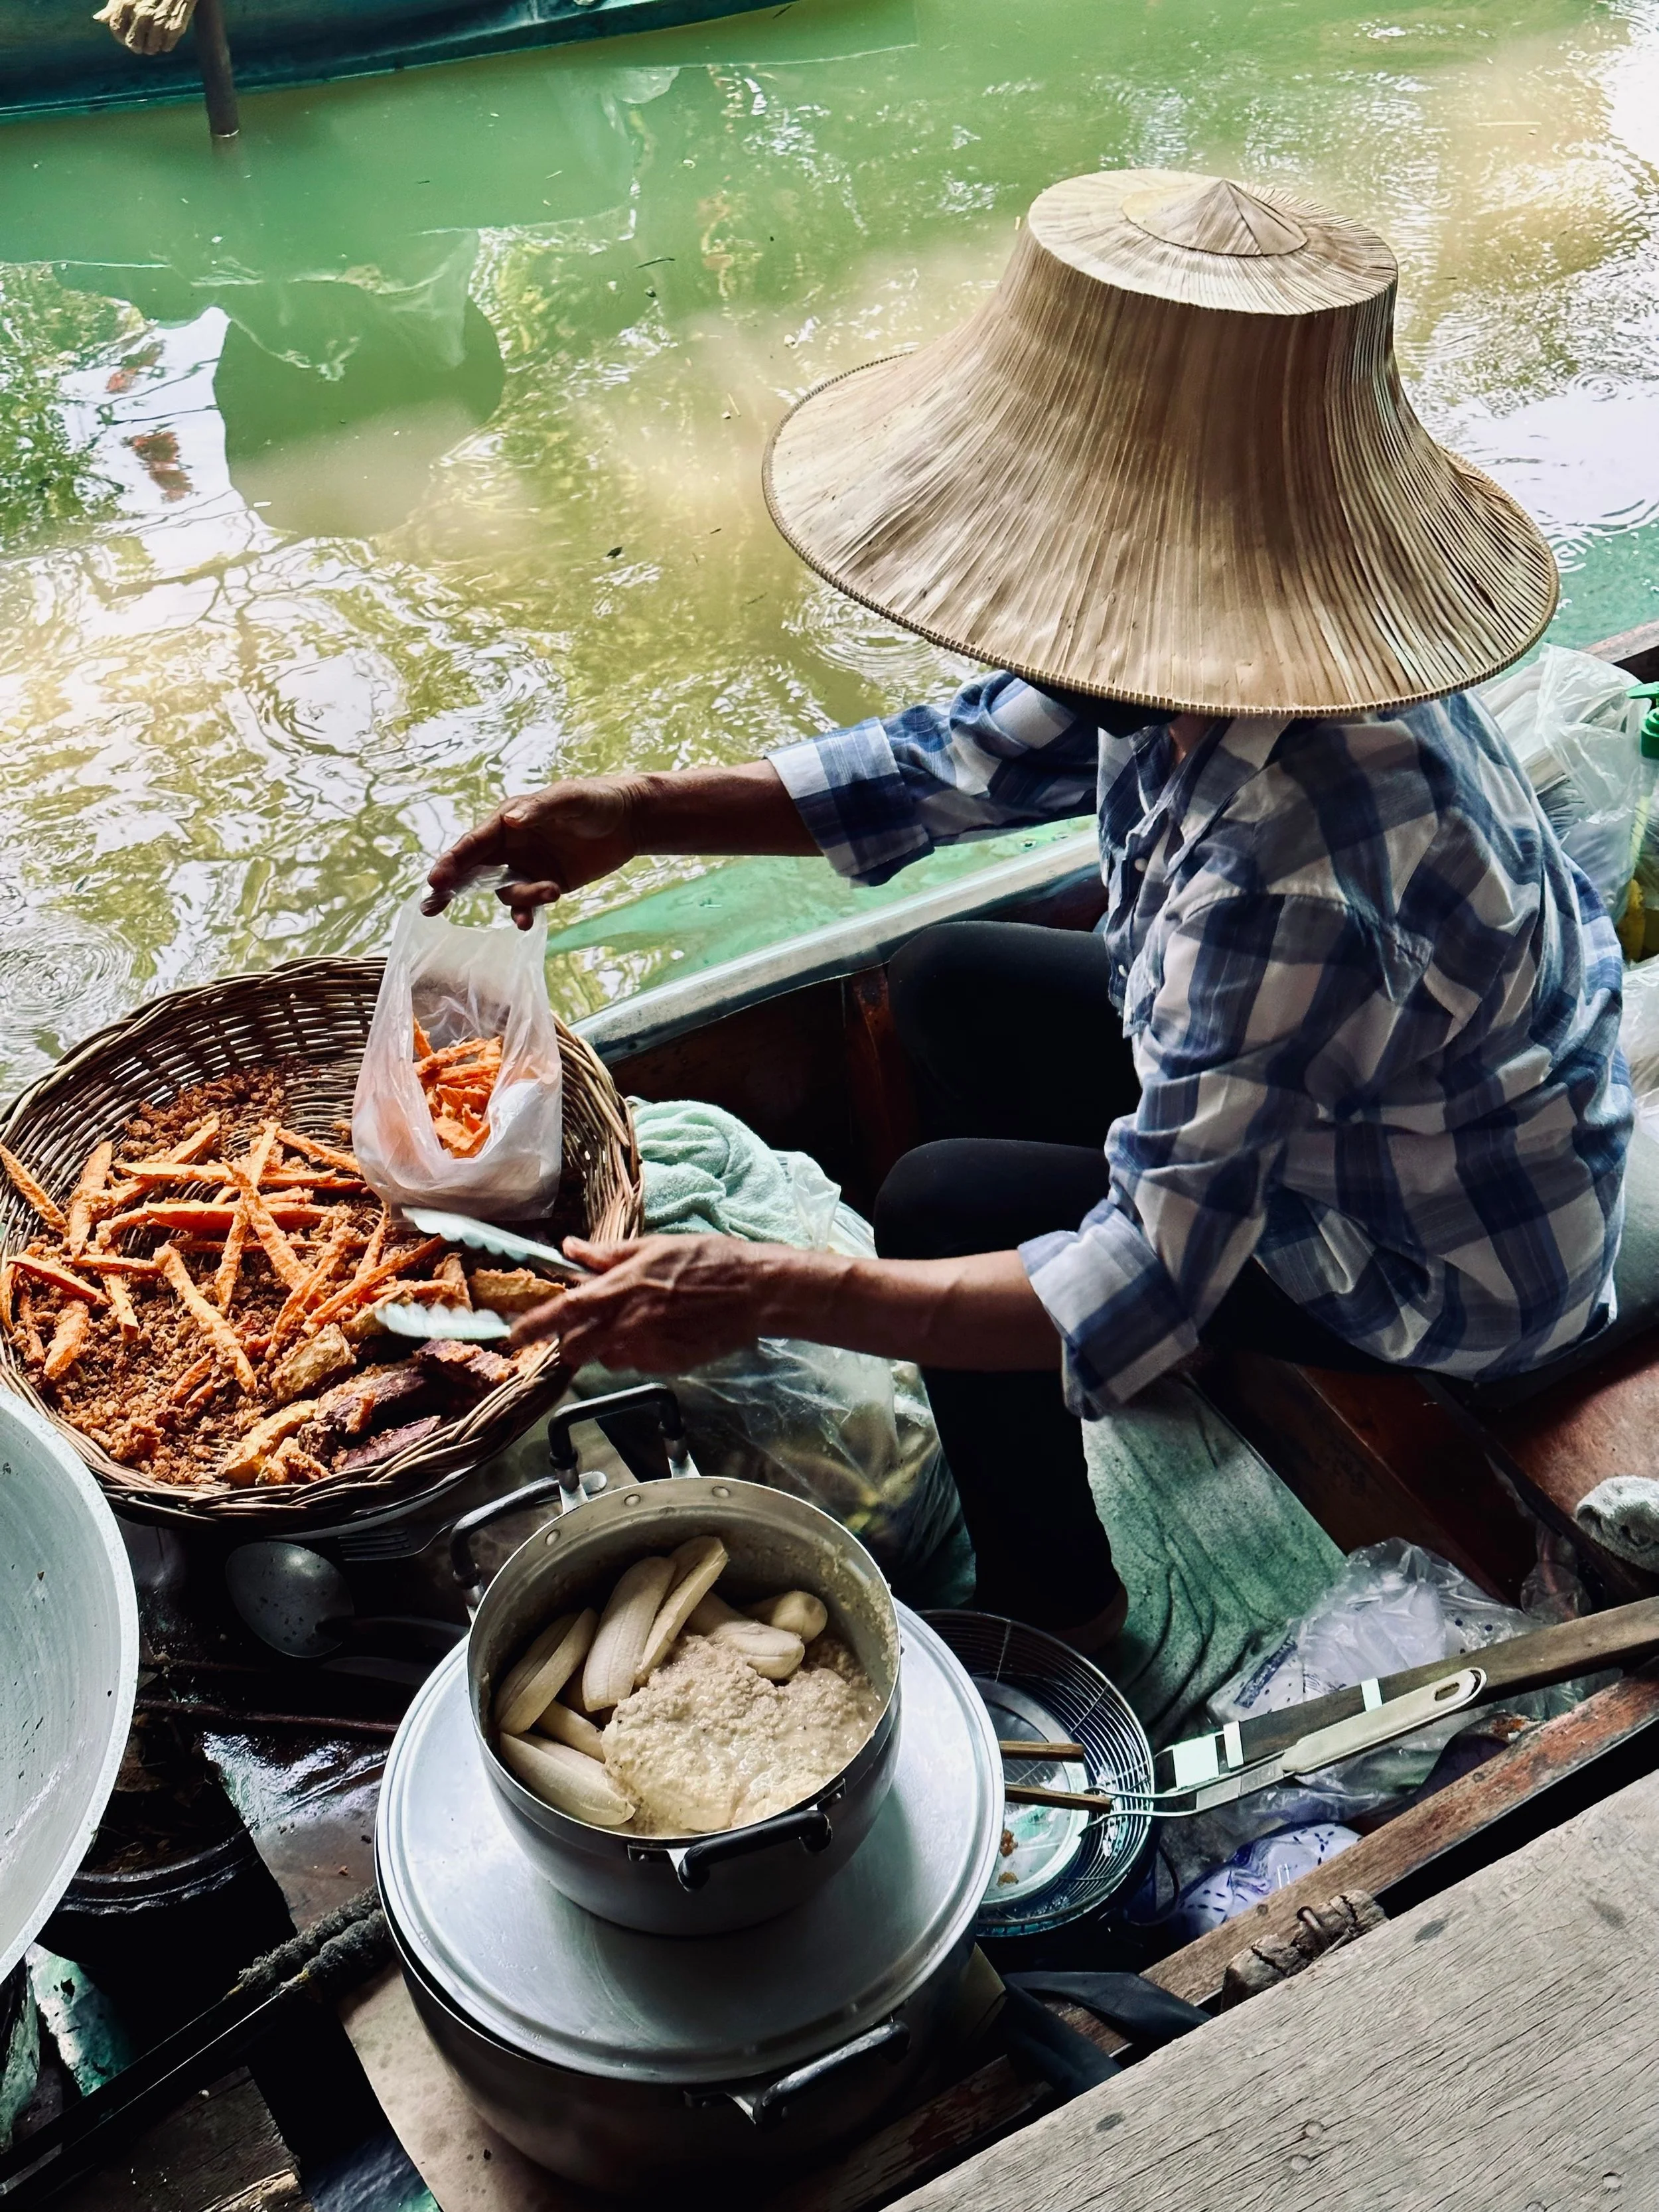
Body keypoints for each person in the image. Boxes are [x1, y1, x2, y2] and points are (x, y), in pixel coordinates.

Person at [425, 170, 1630, 1649]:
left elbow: (1143, 1270)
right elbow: (940, 762)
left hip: (1437, 1252)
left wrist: (771, 1291)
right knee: (946, 984)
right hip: (1370, 1096)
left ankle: (1062, 1600)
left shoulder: (1292, 867)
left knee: (941, 1203)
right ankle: (1051, 1359)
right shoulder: (1201, 649)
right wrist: (642, 812)